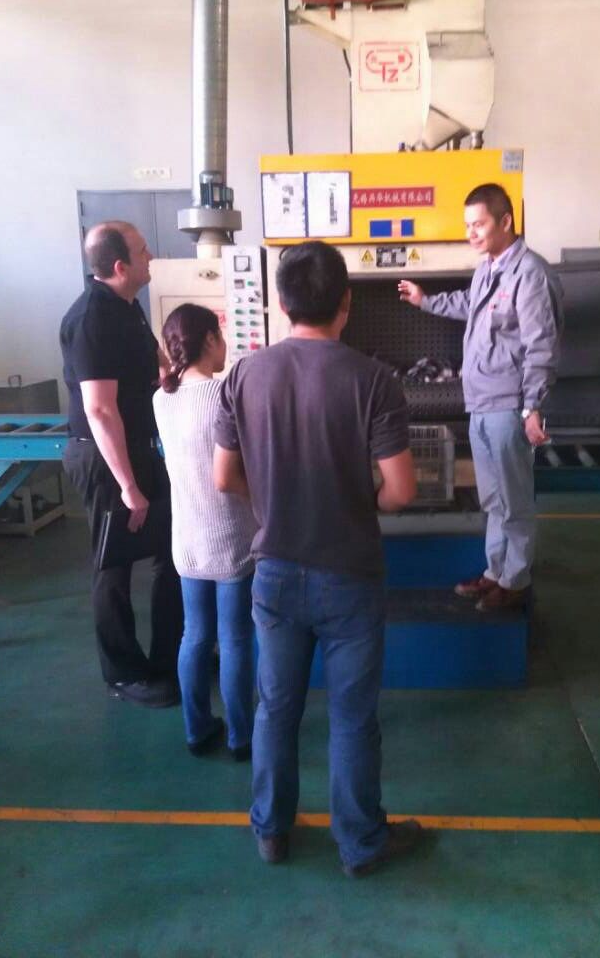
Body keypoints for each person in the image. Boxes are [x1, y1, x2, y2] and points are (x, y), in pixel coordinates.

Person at [213, 240, 423, 876]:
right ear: (346, 303)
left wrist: (270, 503)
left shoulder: (244, 375)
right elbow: (401, 492)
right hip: (350, 574)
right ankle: (360, 844)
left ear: (281, 304)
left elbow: (224, 477)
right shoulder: (374, 380)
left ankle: (271, 830)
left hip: (274, 571)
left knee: (276, 709)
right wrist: (360, 499)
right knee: (352, 717)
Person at [398, 183, 564, 612]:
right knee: (493, 498)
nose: (470, 233)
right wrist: (425, 301)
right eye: (467, 225)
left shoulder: (530, 274)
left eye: (479, 224)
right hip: (481, 401)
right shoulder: (488, 269)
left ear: (505, 221)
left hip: (509, 405)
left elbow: (541, 346)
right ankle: (496, 572)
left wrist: (533, 407)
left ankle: (516, 580)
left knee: (515, 500)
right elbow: (467, 303)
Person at [60, 220, 183, 707]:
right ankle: (124, 674)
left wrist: (176, 373)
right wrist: (129, 487)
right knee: (113, 565)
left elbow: (153, 358)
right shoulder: (92, 318)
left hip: (139, 446)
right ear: (119, 265)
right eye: (143, 250)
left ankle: (169, 657)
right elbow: (99, 410)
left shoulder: (128, 307)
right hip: (104, 455)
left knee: (171, 550)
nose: (151, 256)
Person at [153, 304, 257, 758]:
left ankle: (197, 730)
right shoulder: (224, 395)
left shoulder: (161, 399)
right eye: (221, 335)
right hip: (231, 538)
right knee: (235, 639)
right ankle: (241, 737)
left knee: (194, 636)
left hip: (188, 540)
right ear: (210, 340)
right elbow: (239, 469)